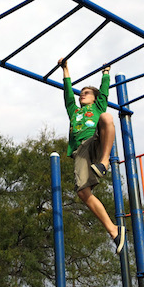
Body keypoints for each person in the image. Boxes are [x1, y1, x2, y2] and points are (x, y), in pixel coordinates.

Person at [59, 57, 125, 254]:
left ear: (95, 98)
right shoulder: (74, 112)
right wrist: (65, 68)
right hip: (80, 151)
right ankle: (114, 230)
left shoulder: (97, 106)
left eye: (86, 93)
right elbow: (68, 93)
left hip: (96, 141)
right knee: (82, 192)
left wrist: (105, 73)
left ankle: (105, 162)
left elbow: (104, 91)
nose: (82, 96)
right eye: (81, 94)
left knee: (106, 117)